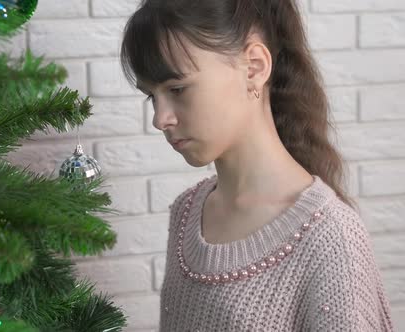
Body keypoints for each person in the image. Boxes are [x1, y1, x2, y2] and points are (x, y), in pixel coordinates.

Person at [119, 0, 395, 331]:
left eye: (177, 89)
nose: (160, 118)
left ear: (253, 67)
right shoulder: (186, 214)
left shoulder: (331, 240)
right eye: (152, 96)